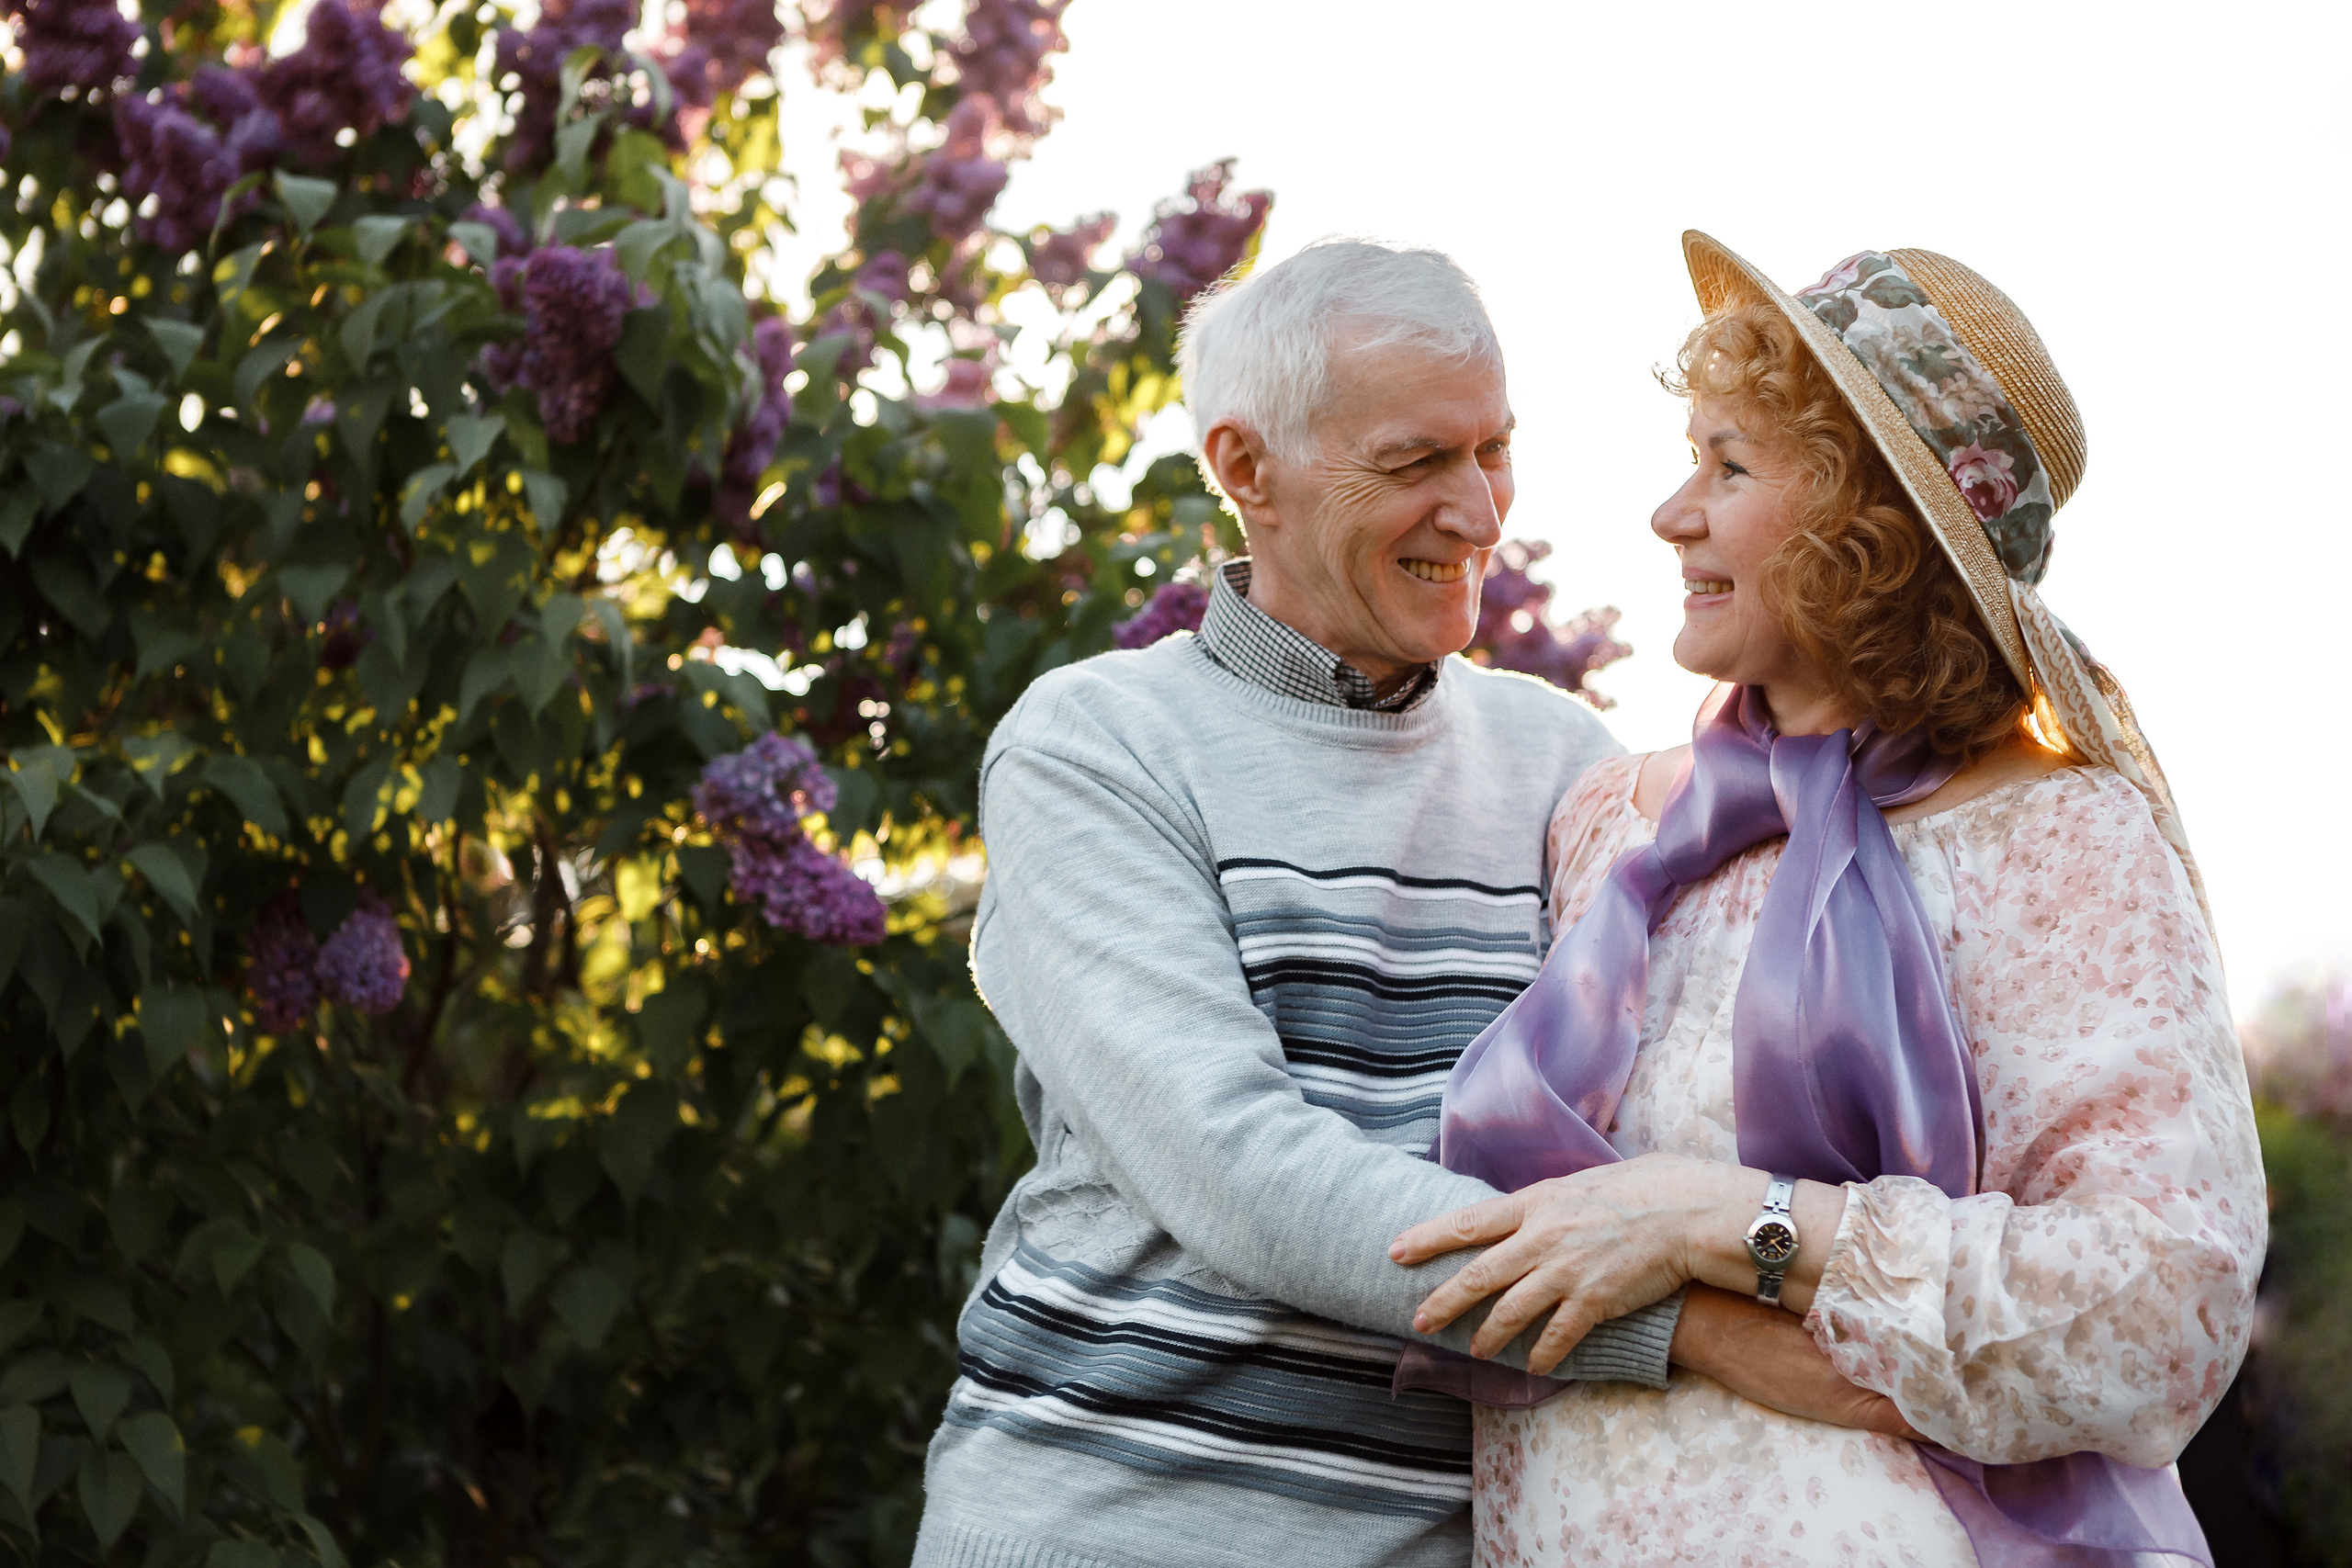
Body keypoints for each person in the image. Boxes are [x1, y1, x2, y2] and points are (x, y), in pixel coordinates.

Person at [911, 238, 1903, 1568]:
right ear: (1245, 469)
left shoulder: (1568, 767)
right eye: (1415, 463)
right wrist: (1696, 1330)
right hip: (1111, 1527)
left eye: (1495, 449)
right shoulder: (1095, 748)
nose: (1482, 511)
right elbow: (1242, 1176)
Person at [1388, 233, 2267, 1565]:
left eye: (1730, 466)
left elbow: (2162, 1313)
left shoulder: (2063, 839)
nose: (1671, 512)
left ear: (1875, 534)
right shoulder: (1608, 829)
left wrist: (1712, 1215)